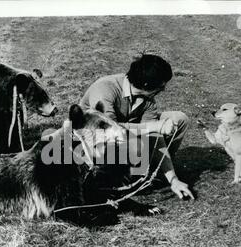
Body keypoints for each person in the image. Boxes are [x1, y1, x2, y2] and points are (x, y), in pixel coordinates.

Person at [79, 54, 194, 200]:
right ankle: (118, 177)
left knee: (179, 119)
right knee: (135, 146)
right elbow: (108, 130)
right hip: (92, 143)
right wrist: (152, 127)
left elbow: (154, 137)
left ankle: (154, 171)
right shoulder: (105, 89)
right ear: (146, 85)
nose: (164, 89)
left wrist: (173, 179)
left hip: (123, 138)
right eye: (162, 86)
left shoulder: (148, 98)